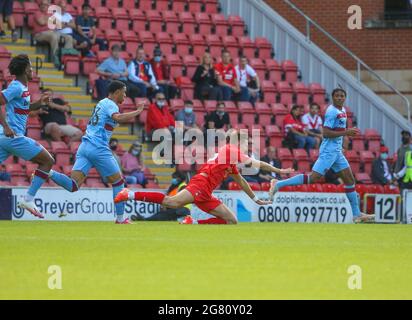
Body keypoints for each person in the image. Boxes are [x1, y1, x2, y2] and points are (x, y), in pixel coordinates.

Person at [115, 129, 294, 224]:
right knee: (172, 202)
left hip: (207, 191)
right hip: (201, 183)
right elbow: (258, 164)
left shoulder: (230, 159)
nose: (249, 147)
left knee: (232, 220)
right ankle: (129, 194)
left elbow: (242, 181)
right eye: (247, 144)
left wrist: (255, 199)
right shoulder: (232, 150)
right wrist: (279, 171)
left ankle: (192, 222)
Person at [269, 88, 375, 224]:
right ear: (332, 97)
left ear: (345, 98)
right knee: (314, 178)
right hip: (328, 151)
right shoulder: (332, 112)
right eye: (337, 96)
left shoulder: (342, 111)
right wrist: (346, 132)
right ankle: (278, 184)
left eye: (342, 96)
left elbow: (338, 130)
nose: (340, 98)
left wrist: (342, 144)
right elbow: (326, 133)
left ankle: (356, 214)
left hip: (336, 151)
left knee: (349, 180)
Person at [48, 80, 145, 224]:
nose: (125, 96)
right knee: (118, 182)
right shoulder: (111, 104)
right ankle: (120, 219)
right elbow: (117, 118)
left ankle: (47, 172)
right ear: (117, 92)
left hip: (85, 147)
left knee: (73, 185)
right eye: (123, 92)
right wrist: (137, 112)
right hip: (98, 147)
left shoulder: (102, 103)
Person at [0, 54, 54, 218]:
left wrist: (39, 104)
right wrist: (6, 126)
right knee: (48, 161)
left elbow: (24, 107)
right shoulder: (16, 86)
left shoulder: (22, 89)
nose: (32, 70)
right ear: (24, 70)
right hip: (12, 137)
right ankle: (28, 199)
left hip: (5, 138)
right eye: (30, 67)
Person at [33, 0, 74, 66]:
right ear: (40, 5)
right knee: (53, 36)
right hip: (40, 34)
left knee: (69, 37)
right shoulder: (37, 13)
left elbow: (57, 25)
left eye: (46, 5)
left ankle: (65, 56)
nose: (44, 6)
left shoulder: (50, 14)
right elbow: (42, 22)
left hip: (51, 32)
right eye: (43, 4)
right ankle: (56, 57)